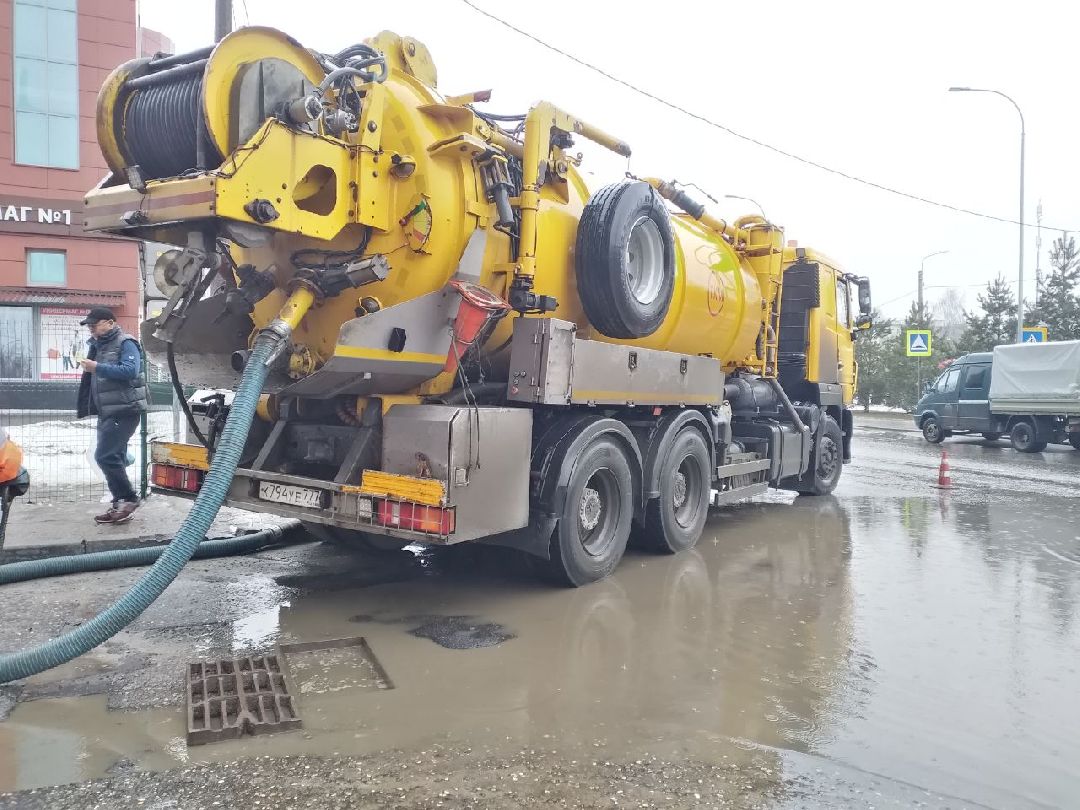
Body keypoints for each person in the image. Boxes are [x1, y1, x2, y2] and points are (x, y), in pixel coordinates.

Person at [76, 307, 148, 524]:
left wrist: (96, 367)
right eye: (89, 325)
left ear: (110, 322)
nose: (91, 329)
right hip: (108, 410)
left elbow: (130, 371)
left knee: (104, 456)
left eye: (94, 324)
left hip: (124, 410)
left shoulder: (126, 343)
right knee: (114, 456)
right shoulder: (100, 345)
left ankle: (128, 498)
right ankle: (120, 504)